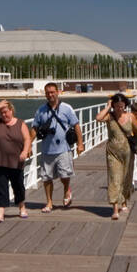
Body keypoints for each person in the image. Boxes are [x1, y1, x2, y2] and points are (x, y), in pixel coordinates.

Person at [31, 82, 83, 211]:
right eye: (47, 93)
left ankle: (66, 189)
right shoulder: (41, 110)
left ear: (58, 92)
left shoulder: (67, 108)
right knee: (46, 178)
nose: (50, 95)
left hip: (63, 149)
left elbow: (76, 125)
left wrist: (80, 144)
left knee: (64, 175)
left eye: (52, 92)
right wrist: (27, 145)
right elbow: (34, 129)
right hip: (47, 150)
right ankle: (49, 202)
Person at [0, 100, 31, 223]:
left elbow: (27, 139)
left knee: (18, 186)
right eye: (1, 113)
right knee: (1, 188)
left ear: (11, 111)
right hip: (0, 161)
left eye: (6, 112)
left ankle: (22, 208)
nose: (4, 115)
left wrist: (25, 151)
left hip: (16, 161)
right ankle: (0, 214)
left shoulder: (21, 123)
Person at [96, 92, 136, 219]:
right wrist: (108, 107)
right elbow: (98, 118)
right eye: (117, 106)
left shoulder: (130, 116)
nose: (119, 109)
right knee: (114, 179)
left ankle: (123, 201)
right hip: (113, 153)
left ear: (125, 105)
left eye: (122, 106)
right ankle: (115, 209)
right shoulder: (110, 117)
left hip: (128, 152)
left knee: (125, 178)